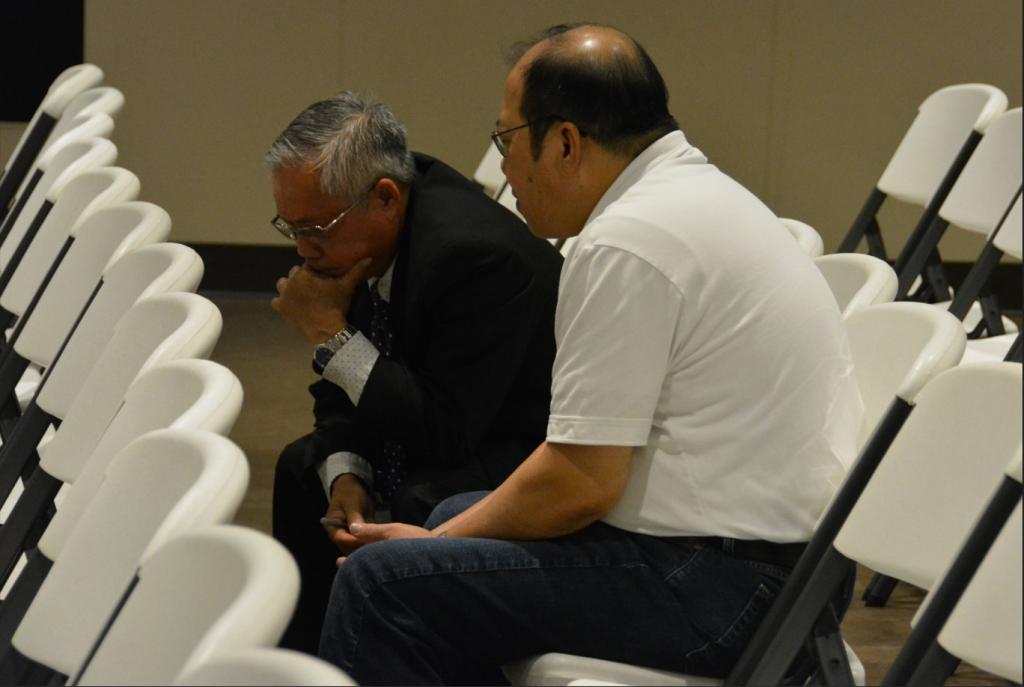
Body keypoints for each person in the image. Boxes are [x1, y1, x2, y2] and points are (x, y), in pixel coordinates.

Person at [315, 23, 865, 685]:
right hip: (782, 571)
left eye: (507, 139)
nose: (505, 167)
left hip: (731, 589)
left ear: (566, 142)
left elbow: (581, 483)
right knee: (448, 516)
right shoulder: (688, 195)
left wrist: (435, 548)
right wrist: (442, 538)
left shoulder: (628, 241)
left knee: (381, 583)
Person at [267, 92, 563, 653]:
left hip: (519, 449)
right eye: (291, 227)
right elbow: (343, 384)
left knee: (419, 497)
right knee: (304, 470)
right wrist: (348, 474)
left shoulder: (473, 258)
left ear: (385, 197)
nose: (303, 249)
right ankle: (307, 665)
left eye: (316, 227)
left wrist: (331, 334)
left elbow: (444, 430)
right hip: (433, 419)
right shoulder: (360, 239)